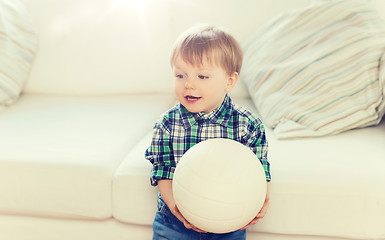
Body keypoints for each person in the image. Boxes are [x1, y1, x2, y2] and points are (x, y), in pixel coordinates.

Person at [145, 24, 271, 240]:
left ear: (229, 81)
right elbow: (162, 172)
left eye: (202, 77)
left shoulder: (247, 125)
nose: (189, 85)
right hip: (174, 223)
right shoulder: (167, 123)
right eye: (180, 75)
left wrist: (259, 200)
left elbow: (258, 170)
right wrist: (177, 208)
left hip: (228, 222)